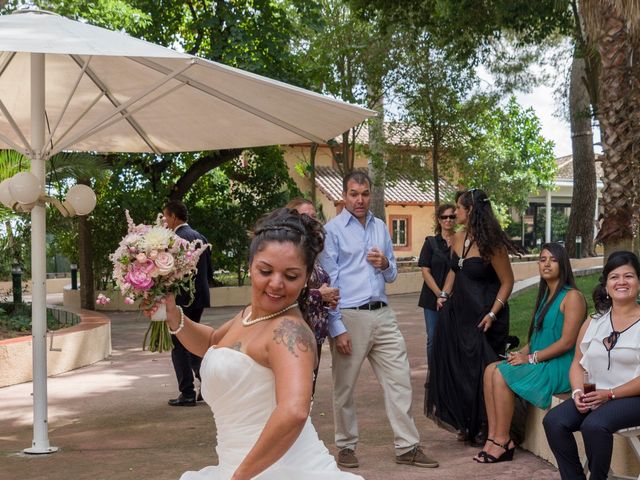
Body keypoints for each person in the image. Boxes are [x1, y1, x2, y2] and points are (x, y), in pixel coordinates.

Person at [149, 208, 364, 480]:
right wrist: (172, 315)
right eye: (266, 270)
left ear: (307, 277)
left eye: (291, 276)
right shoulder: (250, 314)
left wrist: (240, 477)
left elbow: (294, 410)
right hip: (238, 464)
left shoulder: (291, 333)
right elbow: (214, 342)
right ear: (250, 265)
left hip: (276, 471)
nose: (276, 284)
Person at [320, 171, 438, 469]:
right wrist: (337, 328)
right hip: (350, 315)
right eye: (353, 193)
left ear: (370, 194)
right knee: (344, 387)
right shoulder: (331, 231)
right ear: (344, 196)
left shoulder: (381, 227)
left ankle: (407, 446)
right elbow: (330, 282)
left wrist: (385, 263)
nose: (359, 199)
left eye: (364, 193)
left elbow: (393, 273)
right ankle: (346, 446)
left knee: (400, 381)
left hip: (383, 314)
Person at [426, 188, 522, 446]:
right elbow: (455, 271)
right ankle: (466, 422)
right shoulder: (458, 237)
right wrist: (443, 295)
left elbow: (507, 282)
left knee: (482, 371)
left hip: (485, 317)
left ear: (470, 211)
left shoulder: (493, 244)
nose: (454, 212)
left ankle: (487, 425)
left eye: (459, 207)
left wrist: (493, 312)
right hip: (459, 314)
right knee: (460, 370)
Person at [474, 243, 586, 463]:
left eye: (552, 260)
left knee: (500, 374)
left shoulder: (572, 297)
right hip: (542, 359)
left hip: (561, 365)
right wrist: (520, 353)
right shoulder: (545, 295)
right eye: (542, 259)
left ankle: (504, 441)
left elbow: (567, 342)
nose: (546, 264)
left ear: (562, 264)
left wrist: (531, 358)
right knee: (490, 369)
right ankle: (493, 437)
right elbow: (535, 340)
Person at [543, 251, 640, 480]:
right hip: (596, 394)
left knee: (594, 425)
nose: (622, 282)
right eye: (615, 277)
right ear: (606, 284)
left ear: (639, 282)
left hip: (633, 397)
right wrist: (578, 391)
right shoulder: (595, 321)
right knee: (554, 421)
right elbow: (578, 363)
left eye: (629, 276)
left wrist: (609, 394)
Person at [286, 198, 340, 394]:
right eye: (305, 216)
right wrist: (319, 295)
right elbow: (286, 293)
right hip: (294, 333)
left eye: (314, 216)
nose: (312, 220)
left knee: (308, 394)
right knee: (296, 394)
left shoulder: (312, 253)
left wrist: (329, 298)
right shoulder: (288, 252)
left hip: (315, 334)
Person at [163, 200, 213, 407]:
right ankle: (209, 386)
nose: (164, 221)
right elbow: (209, 271)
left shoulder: (176, 239)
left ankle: (187, 392)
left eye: (165, 216)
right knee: (193, 342)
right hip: (200, 297)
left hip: (182, 299)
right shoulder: (200, 237)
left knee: (179, 345)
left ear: (174, 216)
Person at [417, 203, 456, 366]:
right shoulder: (430, 242)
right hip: (431, 298)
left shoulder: (462, 241)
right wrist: (440, 293)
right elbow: (425, 271)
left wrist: (447, 294)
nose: (448, 220)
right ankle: (433, 376)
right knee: (433, 338)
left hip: (455, 297)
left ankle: (449, 375)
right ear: (439, 220)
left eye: (452, 216)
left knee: (452, 338)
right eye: (444, 217)